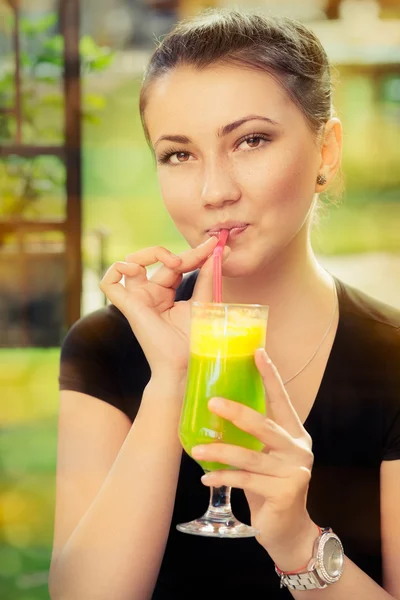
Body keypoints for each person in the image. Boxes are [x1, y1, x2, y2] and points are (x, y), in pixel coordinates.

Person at [48, 9, 400, 600]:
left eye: (251, 140)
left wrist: (297, 541)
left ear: (327, 150)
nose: (214, 192)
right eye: (178, 154)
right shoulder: (104, 348)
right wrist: (170, 377)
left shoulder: (392, 362)